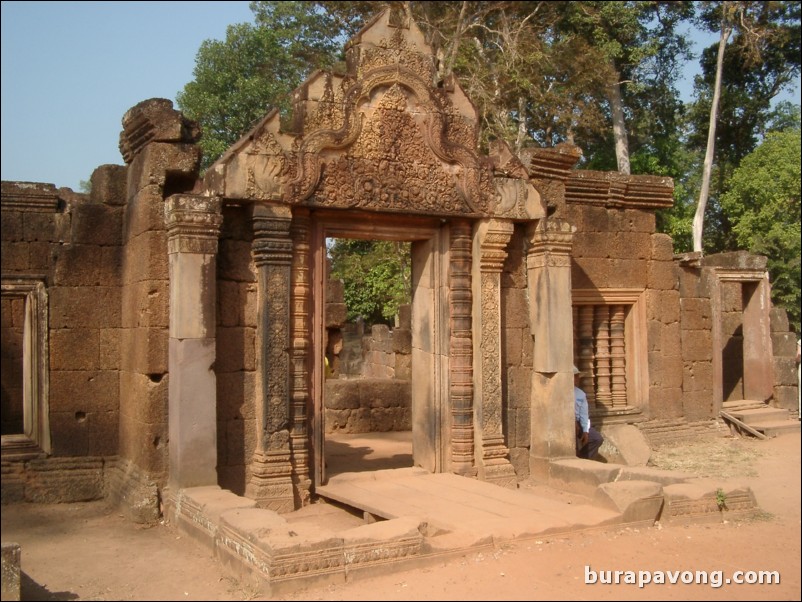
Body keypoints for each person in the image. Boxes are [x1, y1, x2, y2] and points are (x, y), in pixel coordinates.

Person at [573, 365, 604, 459]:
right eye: (575, 376)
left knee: (596, 439)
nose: (577, 379)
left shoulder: (580, 394)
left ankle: (584, 458)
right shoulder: (560, 392)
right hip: (565, 422)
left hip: (578, 423)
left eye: (578, 376)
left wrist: (585, 430)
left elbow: (584, 414)